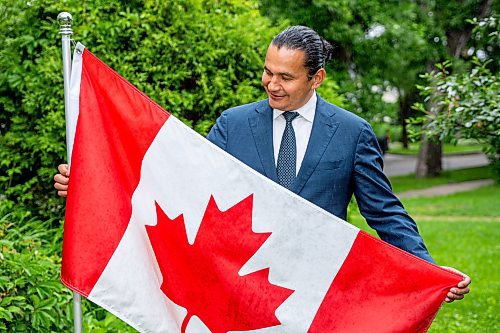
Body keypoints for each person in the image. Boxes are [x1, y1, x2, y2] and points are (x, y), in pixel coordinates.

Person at [54, 26, 470, 303]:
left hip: (316, 290)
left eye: (285, 77)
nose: (272, 84)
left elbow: (385, 212)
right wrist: (94, 184)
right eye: (268, 72)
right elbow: (180, 184)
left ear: (316, 78)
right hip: (239, 282)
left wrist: (428, 271)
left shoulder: (352, 132)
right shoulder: (233, 125)